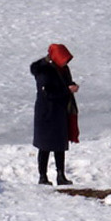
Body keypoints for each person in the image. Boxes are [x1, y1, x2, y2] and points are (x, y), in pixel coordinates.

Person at [30, 44, 78, 185]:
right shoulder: (44, 71)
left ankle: (60, 175)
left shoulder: (63, 69)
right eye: (63, 59)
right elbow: (48, 93)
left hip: (59, 112)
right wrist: (67, 91)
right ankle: (43, 177)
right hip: (46, 113)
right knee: (44, 146)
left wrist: (71, 86)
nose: (65, 62)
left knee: (60, 146)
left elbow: (66, 83)